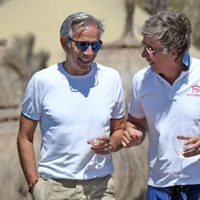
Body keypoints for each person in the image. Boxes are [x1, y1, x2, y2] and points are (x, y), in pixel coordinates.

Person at [17, 12, 125, 200]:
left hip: (100, 186)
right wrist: (35, 185)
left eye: (95, 45)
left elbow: (119, 130)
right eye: (82, 44)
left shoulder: (112, 78)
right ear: (64, 42)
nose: (89, 52)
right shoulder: (42, 81)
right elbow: (25, 137)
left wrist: (113, 143)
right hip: (55, 188)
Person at [122, 10, 200, 200]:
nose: (143, 54)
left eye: (150, 49)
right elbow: (135, 122)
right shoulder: (141, 80)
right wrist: (132, 132)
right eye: (144, 45)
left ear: (174, 51)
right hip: (158, 186)